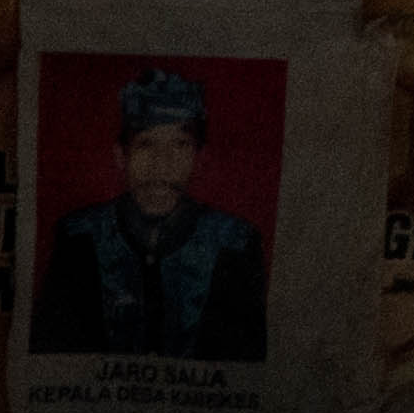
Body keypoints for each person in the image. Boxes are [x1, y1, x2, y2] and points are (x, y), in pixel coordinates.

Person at [29, 66, 270, 363]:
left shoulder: (235, 243)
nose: (161, 166)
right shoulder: (79, 237)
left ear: (199, 158)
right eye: (145, 145)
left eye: (179, 146)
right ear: (121, 156)